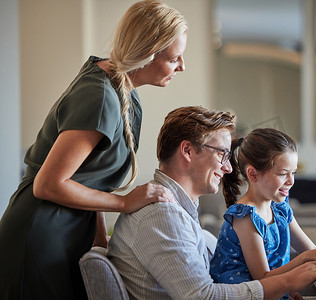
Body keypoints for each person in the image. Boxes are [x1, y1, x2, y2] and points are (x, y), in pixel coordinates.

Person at [0, 1, 188, 299]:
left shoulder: (123, 90)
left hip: (69, 236)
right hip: (41, 238)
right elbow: (48, 184)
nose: (182, 66)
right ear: (147, 52)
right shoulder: (100, 96)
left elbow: (91, 177)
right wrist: (125, 203)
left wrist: (101, 238)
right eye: (175, 58)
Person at [108, 106, 316, 300]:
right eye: (222, 153)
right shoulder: (161, 215)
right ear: (188, 151)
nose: (229, 167)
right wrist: (287, 280)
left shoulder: (176, 210)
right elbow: (202, 297)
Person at [209, 128, 316, 298]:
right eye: (282, 174)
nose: (291, 181)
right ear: (253, 174)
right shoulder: (244, 217)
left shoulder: (279, 207)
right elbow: (262, 279)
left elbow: (311, 251)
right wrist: (304, 260)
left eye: (293, 173)